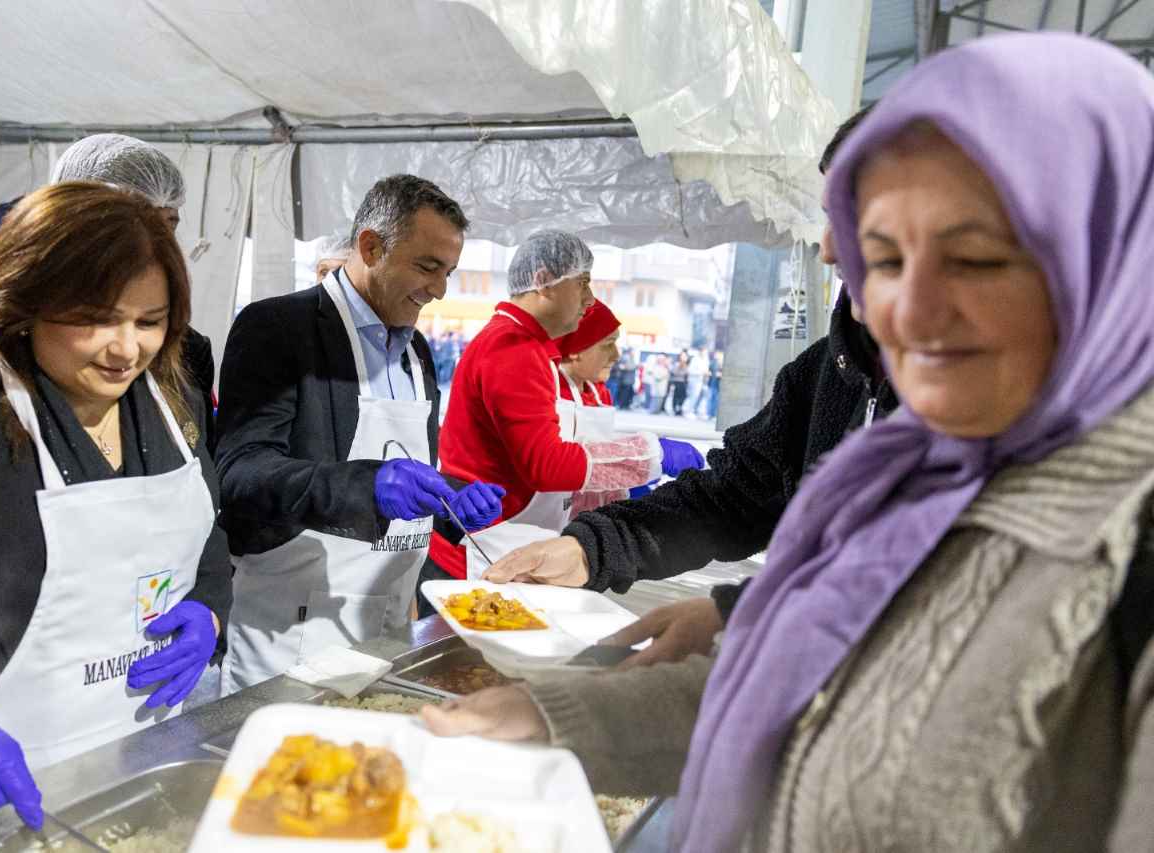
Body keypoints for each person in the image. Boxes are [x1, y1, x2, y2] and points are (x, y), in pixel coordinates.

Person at [423, 33, 1154, 851]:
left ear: (1111, 255)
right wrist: (550, 708)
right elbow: (799, 681)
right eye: (879, 261)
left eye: (975, 259)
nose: (905, 314)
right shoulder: (921, 468)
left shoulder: (1124, 548)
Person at [479, 107, 894, 667]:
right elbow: (734, 497)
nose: (827, 249)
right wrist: (593, 546)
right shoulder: (825, 371)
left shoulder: (1003, 407)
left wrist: (738, 613)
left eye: (854, 219)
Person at [0, 184, 232, 827]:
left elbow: (202, 528)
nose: (126, 350)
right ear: (23, 303)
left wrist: (208, 605)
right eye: (94, 318)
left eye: (149, 322)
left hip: (139, 762)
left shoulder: (167, 406)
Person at [214, 174, 504, 695]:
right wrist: (367, 487)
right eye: (427, 267)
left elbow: (407, 466)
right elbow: (240, 473)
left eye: (449, 273)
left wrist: (449, 499)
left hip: (386, 629)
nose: (439, 290)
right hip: (292, 630)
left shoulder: (416, 353)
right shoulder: (280, 328)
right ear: (371, 247)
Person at [423, 230, 704, 585]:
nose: (589, 299)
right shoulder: (513, 348)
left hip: (511, 540)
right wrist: (649, 455)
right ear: (544, 283)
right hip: (488, 546)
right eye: (583, 283)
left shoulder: (527, 347)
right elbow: (547, 466)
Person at [0, 133, 219, 450]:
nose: (152, 243)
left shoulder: (187, 347)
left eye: (167, 224)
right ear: (70, 216)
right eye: (132, 221)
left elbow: (199, 457)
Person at [555, 300, 676, 519]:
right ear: (576, 350)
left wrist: (633, 479)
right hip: (553, 521)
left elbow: (600, 447)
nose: (616, 355)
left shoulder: (599, 391)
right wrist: (647, 457)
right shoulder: (551, 391)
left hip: (591, 518)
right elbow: (562, 465)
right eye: (608, 344)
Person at [668, 350, 690, 415]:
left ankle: (679, 408)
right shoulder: (677, 363)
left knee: (683, 396)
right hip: (676, 382)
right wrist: (680, 367)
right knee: (675, 396)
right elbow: (673, 372)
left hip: (683, 382)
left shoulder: (687, 364)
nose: (683, 357)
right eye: (682, 356)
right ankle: (674, 409)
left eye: (685, 356)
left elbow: (687, 373)